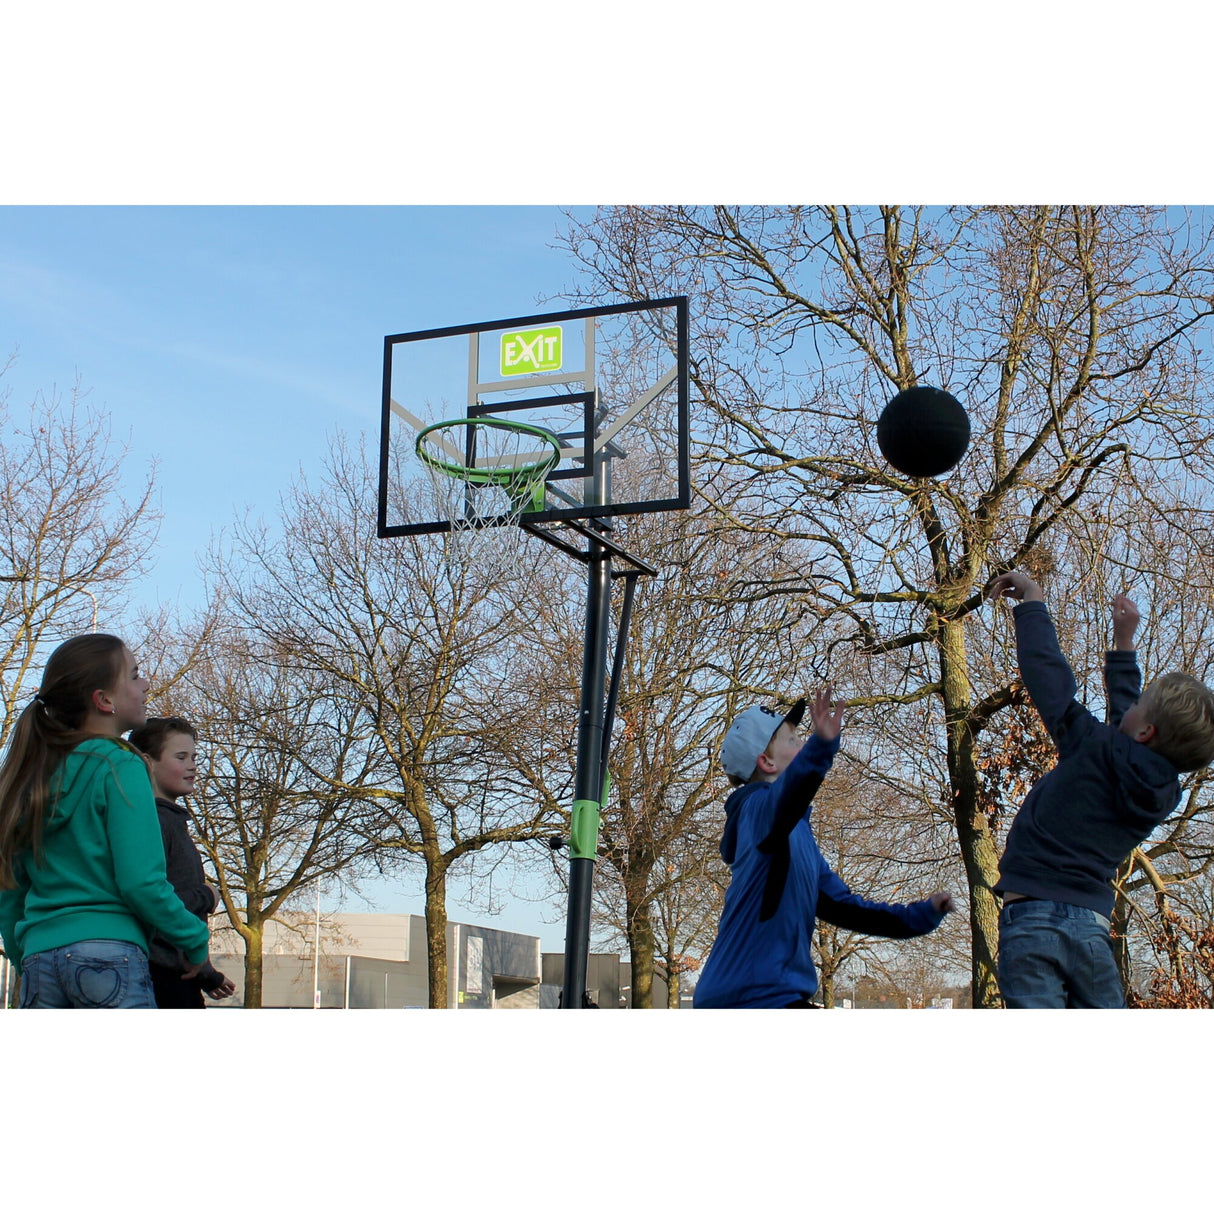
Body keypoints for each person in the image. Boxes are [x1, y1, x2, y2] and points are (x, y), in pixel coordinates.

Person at [989, 570, 1214, 1008]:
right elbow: (1125, 732)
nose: (1129, 708)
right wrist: (1123, 642)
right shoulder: (1163, 792)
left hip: (1033, 918)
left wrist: (1032, 604)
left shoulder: (1094, 746)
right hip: (1091, 927)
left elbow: (1046, 678)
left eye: (1140, 704)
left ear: (1146, 731)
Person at [693, 687, 955, 1008]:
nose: (801, 744)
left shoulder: (798, 837)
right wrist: (821, 747)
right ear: (766, 762)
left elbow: (846, 908)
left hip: (770, 995)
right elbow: (786, 799)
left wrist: (922, 914)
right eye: (792, 741)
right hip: (749, 996)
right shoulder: (754, 810)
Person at [0, 634, 213, 1008]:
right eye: (134, 675)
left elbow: (11, 889)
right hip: (110, 956)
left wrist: (25, 955)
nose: (145, 683)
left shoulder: (35, 772)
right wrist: (194, 938)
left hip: (38, 959)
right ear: (104, 700)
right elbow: (141, 882)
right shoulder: (121, 765)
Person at [128, 716, 235, 1008]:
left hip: (177, 975)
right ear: (148, 762)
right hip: (161, 979)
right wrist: (206, 895)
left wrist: (206, 973)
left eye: (194, 757)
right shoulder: (154, 823)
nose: (192, 765)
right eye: (181, 757)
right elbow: (151, 900)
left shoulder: (170, 821)